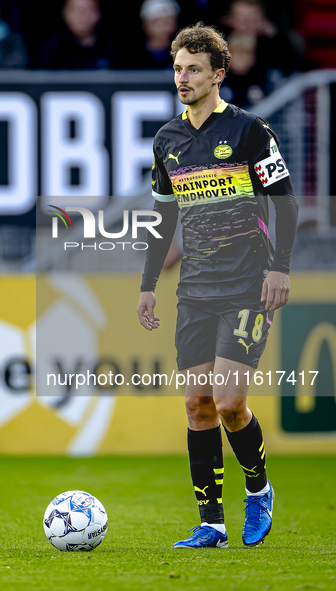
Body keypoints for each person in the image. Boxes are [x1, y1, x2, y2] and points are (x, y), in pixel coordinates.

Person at [136, 23, 298, 549]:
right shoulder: (167, 140)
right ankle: (211, 524)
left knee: (230, 401)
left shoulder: (252, 131)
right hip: (196, 290)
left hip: (249, 283)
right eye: (178, 68)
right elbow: (163, 220)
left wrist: (280, 268)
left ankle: (259, 490)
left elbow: (285, 203)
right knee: (198, 404)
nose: (182, 78)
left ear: (218, 75)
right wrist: (147, 285)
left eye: (193, 69)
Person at [38, 0, 117, 70]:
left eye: (89, 10)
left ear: (98, 13)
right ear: (65, 13)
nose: (83, 16)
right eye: (77, 11)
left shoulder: (111, 48)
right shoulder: (51, 50)